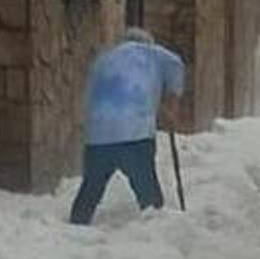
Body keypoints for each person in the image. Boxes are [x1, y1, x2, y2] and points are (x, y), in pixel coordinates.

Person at [69, 27, 186, 225]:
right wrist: (173, 102)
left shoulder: (102, 60)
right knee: (146, 188)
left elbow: (87, 98)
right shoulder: (151, 52)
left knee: (90, 188)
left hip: (98, 134)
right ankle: (158, 227)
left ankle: (77, 224)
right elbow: (176, 64)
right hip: (134, 131)